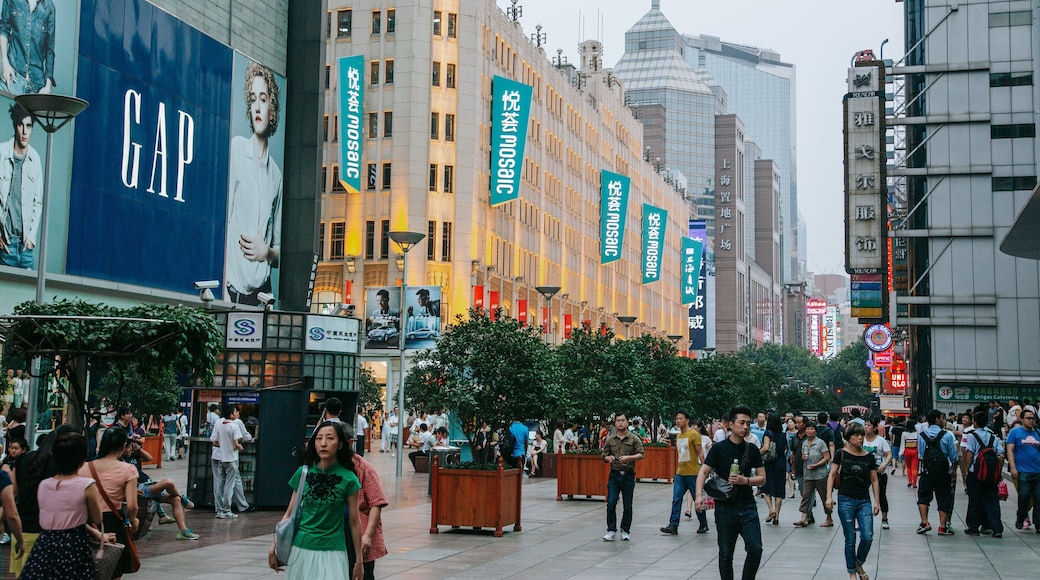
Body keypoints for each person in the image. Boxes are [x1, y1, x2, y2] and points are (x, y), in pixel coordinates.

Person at [267, 421, 363, 580]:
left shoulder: (349, 479)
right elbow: (289, 514)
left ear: (340, 444)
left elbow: (355, 521)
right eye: (319, 438)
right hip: (301, 550)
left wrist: (359, 561)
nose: (323, 443)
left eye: (330, 438)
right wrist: (274, 546)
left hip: (333, 551)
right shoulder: (303, 473)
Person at [226, 60, 282, 305]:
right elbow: (222, 224)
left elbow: (281, 253)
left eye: (263, 99)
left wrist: (267, 252)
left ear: (272, 106)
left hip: (261, 299)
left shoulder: (276, 176)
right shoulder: (237, 149)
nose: (257, 107)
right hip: (231, 294)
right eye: (252, 99)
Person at [20, 432, 106, 580]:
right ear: (81, 460)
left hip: (45, 543)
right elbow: (97, 518)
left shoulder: (44, 484)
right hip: (73, 544)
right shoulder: (86, 485)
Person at [695, 405, 764, 580]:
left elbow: (762, 478)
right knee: (726, 553)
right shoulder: (719, 448)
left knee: (755, 549)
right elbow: (703, 472)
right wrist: (698, 497)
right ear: (731, 424)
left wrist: (745, 480)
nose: (745, 427)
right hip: (725, 507)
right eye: (742, 422)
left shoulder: (752, 450)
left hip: (747, 506)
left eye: (748, 423)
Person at [80, 428, 139, 579]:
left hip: (87, 522)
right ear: (123, 445)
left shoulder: (84, 467)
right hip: (113, 521)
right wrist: (133, 520)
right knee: (112, 569)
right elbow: (132, 506)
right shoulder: (128, 469)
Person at [824, 422, 880, 580]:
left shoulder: (869, 456)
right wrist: (829, 496)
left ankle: (858, 562)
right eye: (856, 435)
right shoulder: (841, 454)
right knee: (850, 539)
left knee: (867, 536)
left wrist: (877, 501)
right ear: (849, 437)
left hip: (864, 500)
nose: (860, 438)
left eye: (862, 435)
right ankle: (852, 573)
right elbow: (832, 475)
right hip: (845, 499)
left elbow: (874, 480)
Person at [121, 438, 198, 540]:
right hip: (141, 488)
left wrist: (138, 449)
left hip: (149, 484)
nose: (130, 449)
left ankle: (183, 531)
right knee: (168, 482)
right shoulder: (120, 461)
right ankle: (182, 497)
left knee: (176, 500)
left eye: (131, 447)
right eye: (128, 447)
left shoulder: (133, 456)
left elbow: (149, 458)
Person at [342, 425, 388, 580]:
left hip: (357, 531)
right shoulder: (323, 466)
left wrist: (367, 535)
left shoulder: (362, 467)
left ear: (349, 443)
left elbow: (376, 503)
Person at [0, 103, 42, 269]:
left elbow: (38, 203)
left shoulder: (35, 159)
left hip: (26, 248)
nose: (25, 132)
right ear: (15, 125)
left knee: (29, 287)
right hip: (5, 246)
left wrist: (31, 238)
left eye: (29, 126)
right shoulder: (1, 153)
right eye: (21, 125)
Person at [660, 410, 708, 535]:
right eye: (677, 418)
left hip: (693, 473)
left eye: (681, 418)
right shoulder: (679, 436)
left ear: (687, 420)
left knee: (697, 498)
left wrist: (704, 470)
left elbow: (700, 453)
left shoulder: (693, 434)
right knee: (676, 499)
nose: (678, 421)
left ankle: (703, 523)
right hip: (681, 473)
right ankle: (673, 525)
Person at [601, 413, 644, 541]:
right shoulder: (610, 439)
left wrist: (629, 458)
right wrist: (608, 458)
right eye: (618, 421)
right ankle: (611, 530)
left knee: (628, 505)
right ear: (615, 423)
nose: (620, 423)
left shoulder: (633, 439)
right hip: (614, 475)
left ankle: (625, 530)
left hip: (628, 475)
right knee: (611, 503)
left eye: (623, 420)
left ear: (627, 422)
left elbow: (641, 454)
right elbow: (603, 454)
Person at [961, 410, 1004, 537]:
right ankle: (996, 528)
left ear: (974, 422)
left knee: (975, 500)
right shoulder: (993, 436)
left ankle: (973, 527)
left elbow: (969, 454)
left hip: (976, 473)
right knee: (992, 501)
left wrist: (967, 470)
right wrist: (998, 471)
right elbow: (1001, 455)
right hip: (991, 474)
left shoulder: (971, 435)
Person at [916, 409, 958, 535]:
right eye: (942, 418)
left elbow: (921, 455)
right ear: (937, 419)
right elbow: (953, 456)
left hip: (927, 471)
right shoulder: (947, 435)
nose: (943, 420)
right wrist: (954, 470)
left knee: (923, 497)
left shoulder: (922, 435)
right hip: (943, 472)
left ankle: (925, 523)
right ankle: (942, 527)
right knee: (943, 498)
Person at [0, 0, 56, 95]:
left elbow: (49, 49)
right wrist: (4, 62)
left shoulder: (49, 7)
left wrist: (48, 86)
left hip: (37, 86)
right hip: (13, 78)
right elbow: (3, 29)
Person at [211, 404, 249, 519]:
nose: (238, 413)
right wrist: (239, 447)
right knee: (230, 485)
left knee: (219, 483)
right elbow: (237, 443)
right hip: (231, 458)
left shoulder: (220, 424)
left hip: (220, 458)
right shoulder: (234, 426)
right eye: (236, 411)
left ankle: (219, 509)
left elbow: (215, 441)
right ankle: (227, 509)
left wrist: (224, 445)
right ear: (231, 414)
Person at [1006, 408, 1040, 532]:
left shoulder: (1038, 433)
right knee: (1024, 497)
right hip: (1023, 471)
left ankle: (1038, 524)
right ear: (1022, 419)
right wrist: (1013, 467)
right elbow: (1010, 450)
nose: (1031, 421)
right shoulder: (1015, 432)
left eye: (1033, 418)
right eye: (1028, 418)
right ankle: (1021, 516)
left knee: (1038, 499)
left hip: (1038, 471)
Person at [794, 421, 833, 527]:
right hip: (808, 474)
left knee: (824, 496)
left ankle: (829, 518)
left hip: (820, 474)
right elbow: (802, 456)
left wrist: (816, 465)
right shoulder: (804, 443)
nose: (810, 431)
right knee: (806, 496)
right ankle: (804, 518)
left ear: (815, 431)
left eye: (812, 429)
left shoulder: (820, 443)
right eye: (808, 429)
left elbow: (826, 457)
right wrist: (803, 458)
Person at [862, 418, 892, 529]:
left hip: (879, 471)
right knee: (862, 494)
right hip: (864, 472)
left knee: (881, 494)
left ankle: (884, 518)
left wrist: (884, 464)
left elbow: (889, 454)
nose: (866, 427)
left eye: (869, 425)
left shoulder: (881, 440)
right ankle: (861, 518)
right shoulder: (861, 439)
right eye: (865, 424)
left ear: (875, 428)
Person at [760, 413, 788, 525]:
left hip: (770, 463)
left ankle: (771, 510)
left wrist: (756, 453)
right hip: (781, 462)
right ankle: (777, 516)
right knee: (779, 490)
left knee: (766, 488)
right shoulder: (783, 435)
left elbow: (766, 448)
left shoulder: (768, 433)